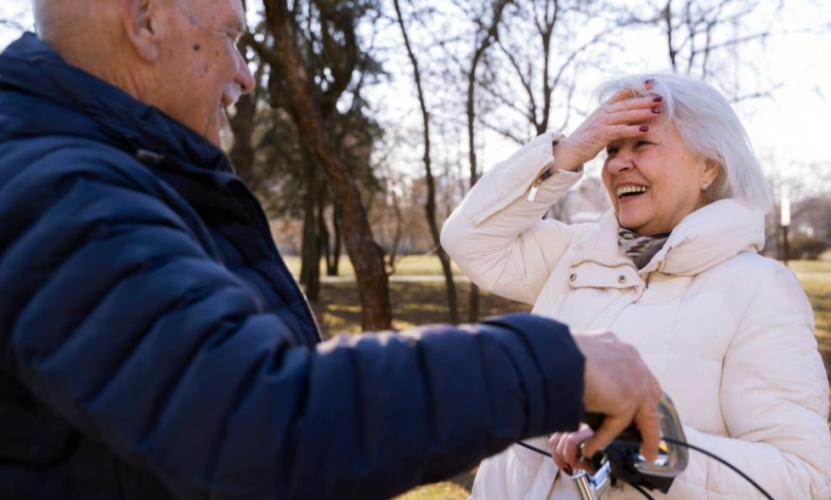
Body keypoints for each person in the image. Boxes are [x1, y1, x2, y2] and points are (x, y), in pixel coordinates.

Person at [0, 1, 666, 499]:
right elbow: (260, 421)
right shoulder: (64, 191)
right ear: (145, 20)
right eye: (231, 35)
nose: (247, 74)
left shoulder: (87, 172)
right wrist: (554, 364)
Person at [442, 73, 831, 499]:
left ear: (708, 165)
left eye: (642, 144)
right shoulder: (576, 252)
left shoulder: (759, 290)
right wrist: (569, 151)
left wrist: (648, 446)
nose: (615, 164)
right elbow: (468, 239)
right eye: (611, 148)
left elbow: (802, 479)